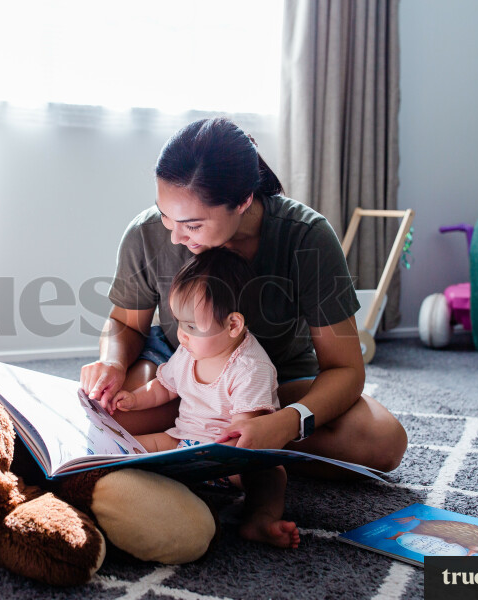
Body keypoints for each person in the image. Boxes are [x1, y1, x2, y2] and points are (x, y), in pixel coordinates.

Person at [80, 117, 407, 476]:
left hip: (275, 386)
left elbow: (345, 368)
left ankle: (217, 444)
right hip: (182, 376)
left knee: (382, 440)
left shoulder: (307, 237)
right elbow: (125, 324)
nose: (175, 237)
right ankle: (229, 448)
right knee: (108, 416)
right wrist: (112, 361)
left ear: (243, 201)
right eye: (165, 216)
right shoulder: (145, 235)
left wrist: (285, 423)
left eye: (193, 225)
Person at [103, 247, 299, 548]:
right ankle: (110, 484)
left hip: (228, 457)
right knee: (127, 448)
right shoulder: (189, 350)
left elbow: (245, 432)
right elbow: (164, 387)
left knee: (270, 475)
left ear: (233, 325)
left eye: (192, 326)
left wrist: (214, 457)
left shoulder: (251, 368)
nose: (182, 335)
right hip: (181, 439)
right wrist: (134, 399)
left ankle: (260, 519)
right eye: (179, 322)